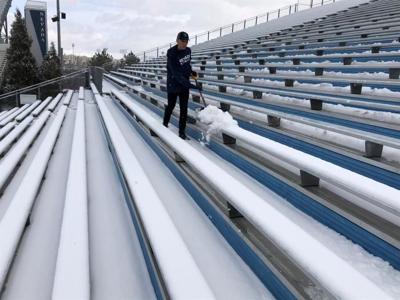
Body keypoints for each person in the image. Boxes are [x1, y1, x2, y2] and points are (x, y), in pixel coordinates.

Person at [163, 31, 201, 140]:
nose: (185, 43)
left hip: (184, 85)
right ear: (177, 41)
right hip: (173, 84)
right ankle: (165, 124)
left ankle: (182, 132)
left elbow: (186, 65)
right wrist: (192, 86)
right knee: (171, 106)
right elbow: (177, 74)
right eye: (182, 41)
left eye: (186, 41)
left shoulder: (188, 51)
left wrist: (191, 72)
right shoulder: (172, 54)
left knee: (184, 109)